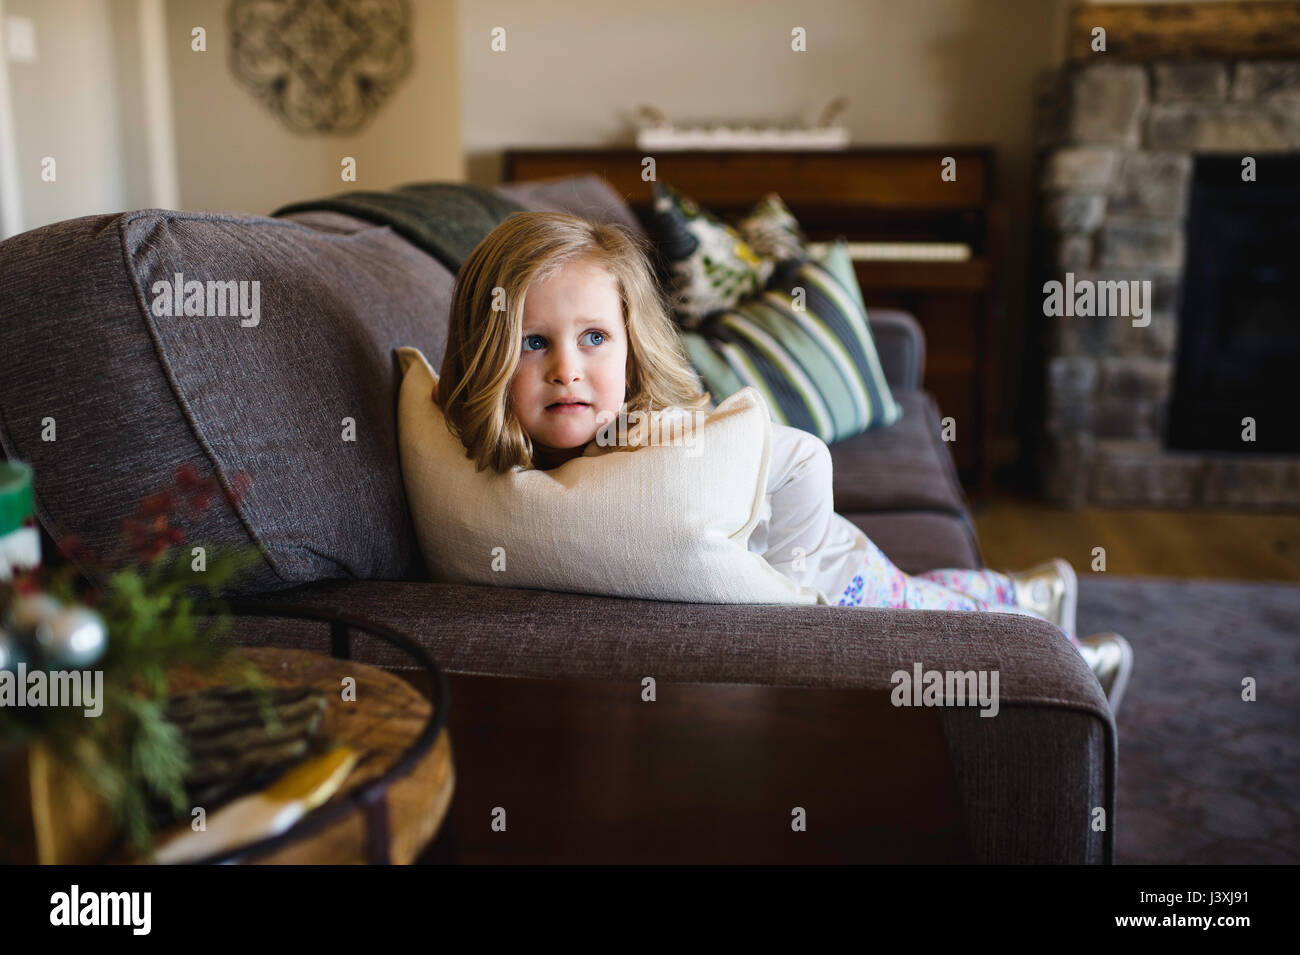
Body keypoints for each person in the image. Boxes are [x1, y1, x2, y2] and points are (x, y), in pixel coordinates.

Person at [436, 211, 1133, 712]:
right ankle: (1029, 590)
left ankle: (1059, 646)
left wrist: (794, 600)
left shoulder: (653, 436)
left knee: (933, 615)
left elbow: (801, 457)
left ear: (630, 348)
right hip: (808, 558)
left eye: (593, 337)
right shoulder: (496, 475)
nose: (567, 369)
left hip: (825, 566)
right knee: (926, 593)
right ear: (484, 351)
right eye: (533, 343)